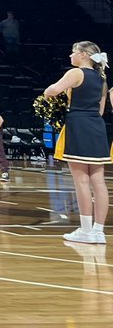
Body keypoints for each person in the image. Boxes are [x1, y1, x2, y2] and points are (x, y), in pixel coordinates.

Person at [45, 41, 110, 244]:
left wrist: (48, 94)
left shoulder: (75, 73)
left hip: (79, 125)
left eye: (73, 52)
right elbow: (100, 110)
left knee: (81, 180)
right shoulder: (102, 78)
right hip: (97, 127)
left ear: (83, 55)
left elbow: (53, 90)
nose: (70, 56)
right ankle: (99, 231)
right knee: (98, 181)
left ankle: (85, 229)